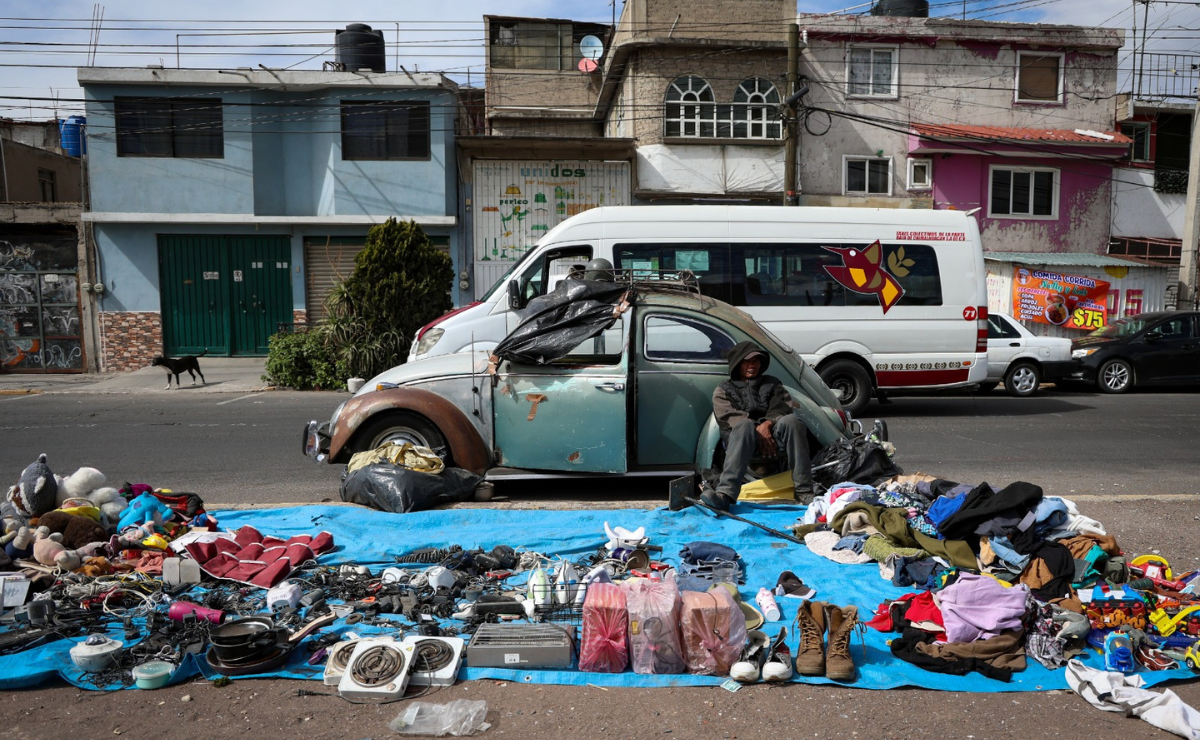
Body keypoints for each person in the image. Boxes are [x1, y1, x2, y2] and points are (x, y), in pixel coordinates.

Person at [701, 341, 815, 511]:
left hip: (773, 439)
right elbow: (729, 417)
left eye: (756, 361)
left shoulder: (773, 384)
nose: (752, 365)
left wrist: (767, 425)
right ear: (738, 363)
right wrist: (757, 430)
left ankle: (804, 491)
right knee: (744, 425)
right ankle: (725, 494)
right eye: (747, 361)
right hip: (742, 440)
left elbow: (782, 407)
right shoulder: (723, 390)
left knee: (792, 422)